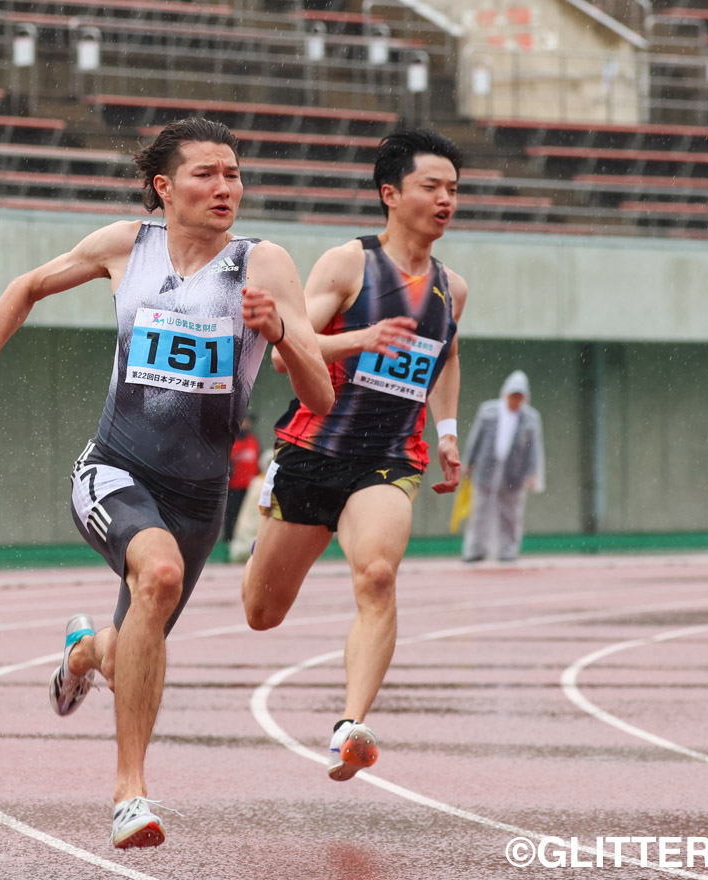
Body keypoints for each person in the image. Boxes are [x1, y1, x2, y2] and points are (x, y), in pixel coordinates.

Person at [0, 117, 332, 849]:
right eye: (206, 174)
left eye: (234, 174)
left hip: (200, 496)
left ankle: (84, 653)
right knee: (155, 575)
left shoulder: (265, 263)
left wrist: (281, 333)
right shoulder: (128, 245)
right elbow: (26, 287)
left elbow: (319, 399)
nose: (226, 188)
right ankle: (130, 795)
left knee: (133, 658)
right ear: (164, 186)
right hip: (115, 469)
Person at [241, 128, 467, 783]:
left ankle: (350, 727)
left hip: (391, 458)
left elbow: (446, 355)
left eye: (454, 189)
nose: (446, 199)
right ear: (391, 194)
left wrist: (446, 428)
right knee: (262, 614)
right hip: (313, 450)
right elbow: (294, 343)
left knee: (377, 575)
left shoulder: (453, 289)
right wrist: (365, 337)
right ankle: (267, 540)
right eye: (433, 187)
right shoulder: (349, 265)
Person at [461, 370, 544, 562]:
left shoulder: (531, 418)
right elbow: (476, 439)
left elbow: (534, 449)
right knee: (480, 510)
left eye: (520, 396)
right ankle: (475, 550)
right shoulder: (488, 411)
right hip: (487, 466)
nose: (516, 400)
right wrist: (469, 463)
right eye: (513, 395)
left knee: (511, 513)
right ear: (505, 394)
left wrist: (533, 473)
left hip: (515, 470)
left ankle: (507, 551)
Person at [223, 411, 261, 543]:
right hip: (233, 486)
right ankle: (229, 541)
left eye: (248, 421)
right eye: (244, 421)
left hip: (249, 487)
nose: (246, 424)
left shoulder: (252, 440)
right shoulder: (230, 439)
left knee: (249, 516)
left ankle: (245, 542)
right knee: (232, 514)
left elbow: (257, 461)